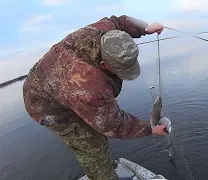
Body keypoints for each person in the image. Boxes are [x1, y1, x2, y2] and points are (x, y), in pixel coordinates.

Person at [23, 15, 167, 180]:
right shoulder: (90, 88)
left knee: (94, 122)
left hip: (57, 82)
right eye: (121, 71)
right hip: (45, 103)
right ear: (104, 65)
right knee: (92, 144)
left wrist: (145, 28)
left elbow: (118, 21)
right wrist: (150, 129)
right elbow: (112, 124)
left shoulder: (103, 31)